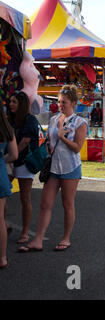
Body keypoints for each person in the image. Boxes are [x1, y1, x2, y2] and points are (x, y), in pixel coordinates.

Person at [19, 84, 88, 253]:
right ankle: (37, 240)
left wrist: (62, 137)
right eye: (59, 102)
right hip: (53, 167)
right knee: (45, 203)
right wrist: (50, 144)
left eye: (64, 102)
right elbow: (50, 140)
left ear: (73, 103)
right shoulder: (53, 119)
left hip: (71, 167)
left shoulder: (80, 122)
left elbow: (77, 148)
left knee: (67, 204)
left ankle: (66, 238)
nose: (60, 105)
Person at [7, 91, 40, 244]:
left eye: (14, 102)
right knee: (3, 194)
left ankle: (25, 232)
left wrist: (12, 155)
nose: (11, 104)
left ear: (21, 104)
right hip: (10, 160)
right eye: (10, 101)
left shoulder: (30, 120)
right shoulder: (10, 120)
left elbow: (25, 141)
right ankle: (4, 224)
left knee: (24, 198)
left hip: (24, 162)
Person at [0, 105, 18, 269]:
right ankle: (3, 257)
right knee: (0, 219)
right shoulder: (7, 129)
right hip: (1, 176)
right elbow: (14, 155)